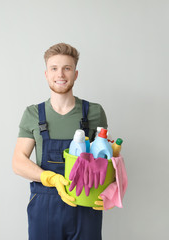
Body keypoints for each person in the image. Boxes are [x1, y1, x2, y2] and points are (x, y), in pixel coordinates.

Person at [12, 43, 109, 240]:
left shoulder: (95, 112)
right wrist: (51, 178)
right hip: (44, 207)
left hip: (85, 204)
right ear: (46, 74)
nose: (61, 74)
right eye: (54, 68)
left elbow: (107, 158)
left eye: (67, 68)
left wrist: (113, 186)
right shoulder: (32, 114)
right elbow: (18, 161)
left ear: (75, 74)